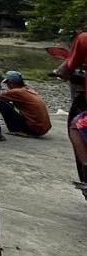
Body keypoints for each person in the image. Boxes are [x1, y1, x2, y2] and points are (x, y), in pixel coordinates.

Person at [53, 18, 87, 187]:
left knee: (76, 126)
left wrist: (59, 72)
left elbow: (66, 69)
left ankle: (86, 176)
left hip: (83, 100)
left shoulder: (83, 39)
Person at [0, 71, 51, 136]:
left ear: (11, 83)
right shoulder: (28, 89)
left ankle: (17, 129)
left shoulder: (16, 92)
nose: (7, 86)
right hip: (43, 128)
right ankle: (23, 128)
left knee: (1, 101)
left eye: (7, 83)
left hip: (34, 129)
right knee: (8, 101)